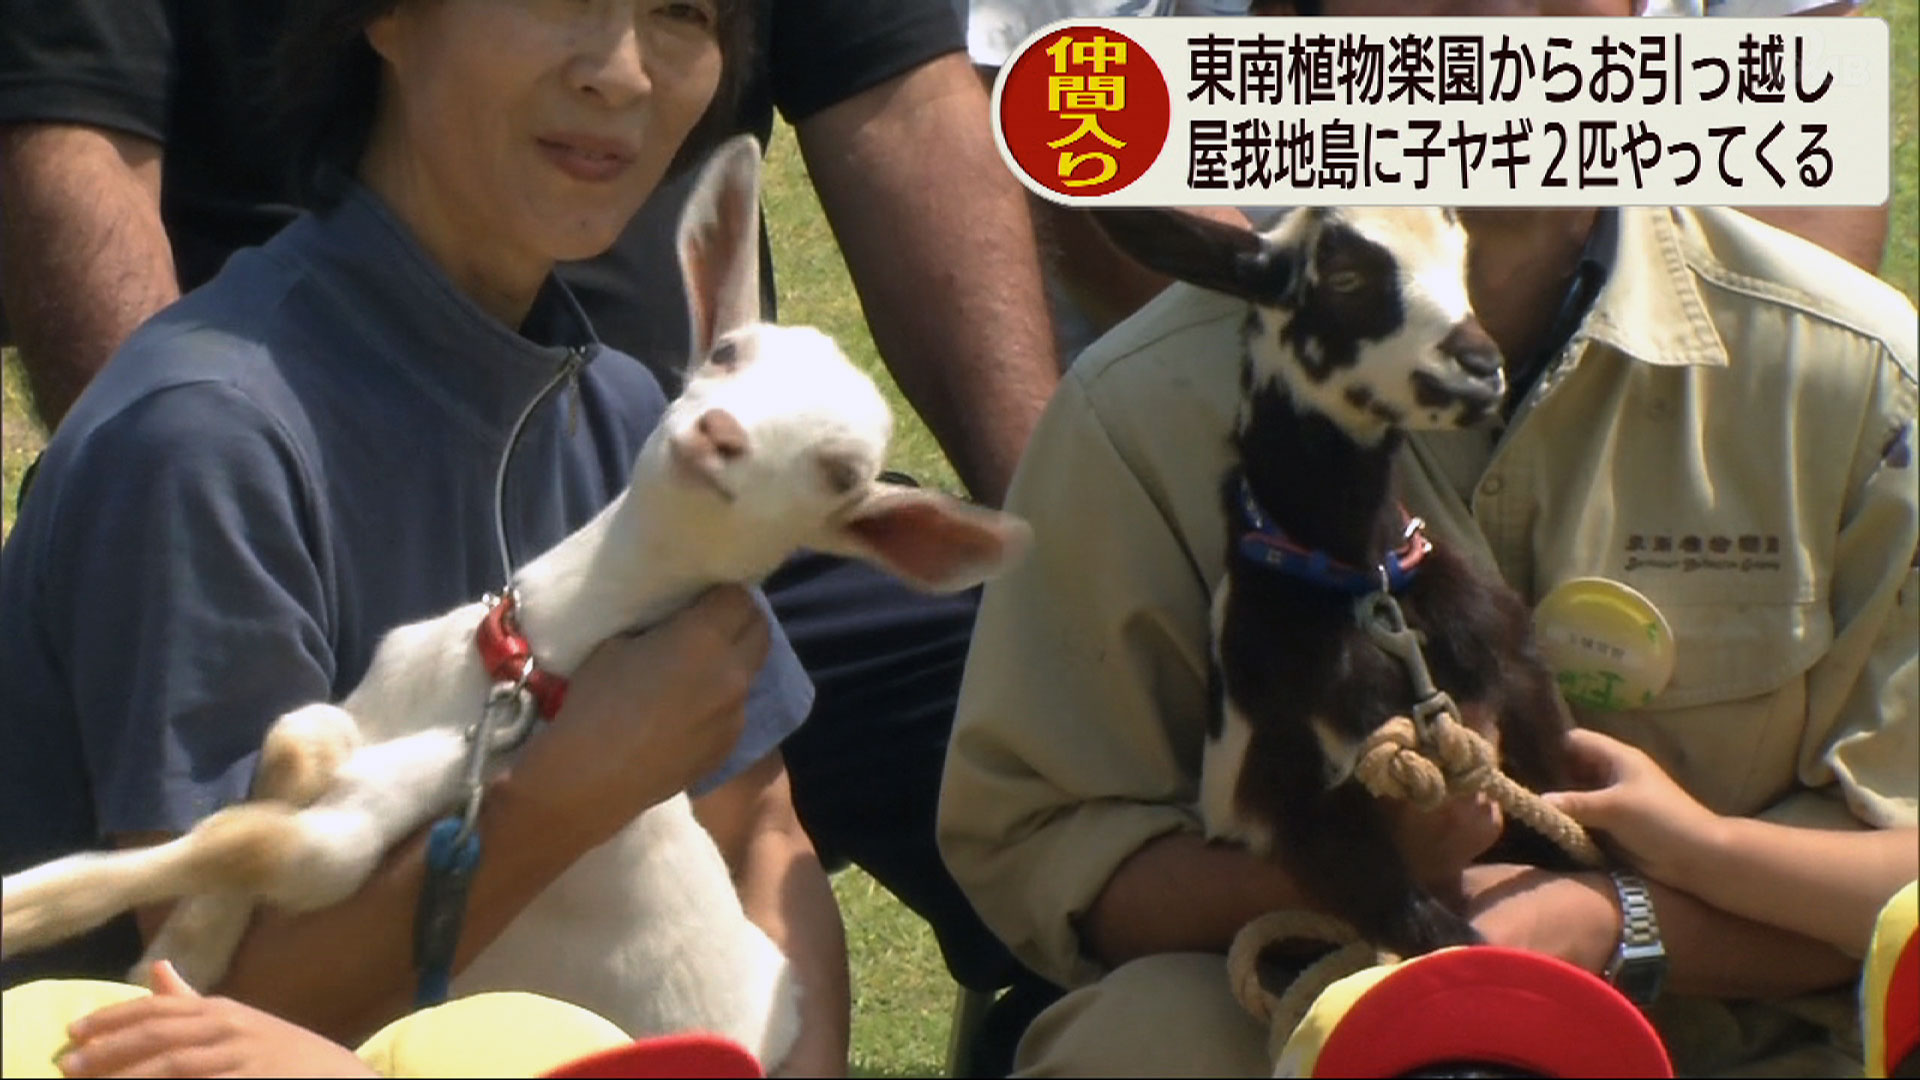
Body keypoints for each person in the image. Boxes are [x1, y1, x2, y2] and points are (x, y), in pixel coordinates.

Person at [0, 0, 1057, 1011]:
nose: (622, 70)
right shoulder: (207, 438)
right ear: (387, 15)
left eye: (682, 13)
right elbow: (207, 1003)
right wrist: (561, 795)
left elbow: (760, 845)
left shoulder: (620, 407)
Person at [936, 0, 1918, 1074]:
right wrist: (1360, 878)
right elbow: (1056, 850)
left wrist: (1608, 919)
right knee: (1143, 1039)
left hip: (1750, 1035)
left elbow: (1895, 878)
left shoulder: (1856, 377)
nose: (1497, 21)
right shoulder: (1142, 407)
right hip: (1312, 1011)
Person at [963, 0, 1892, 368]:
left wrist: (1737, 409)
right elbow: (1088, 121)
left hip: (1639, 381)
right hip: (1262, 389)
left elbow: (1790, 97)